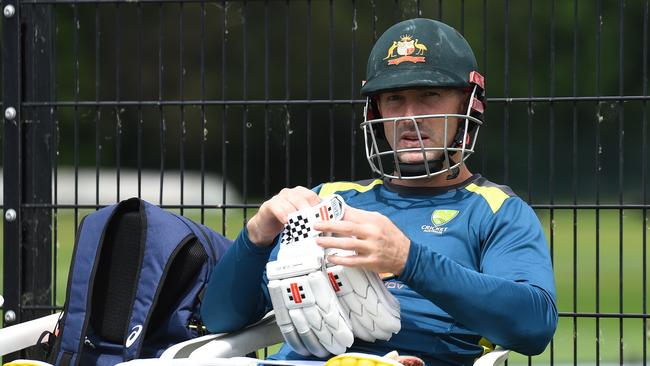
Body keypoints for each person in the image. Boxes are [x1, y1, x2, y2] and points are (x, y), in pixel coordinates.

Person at [200, 18, 557, 366]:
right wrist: (256, 236)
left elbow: (534, 326)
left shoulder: (495, 210)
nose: (409, 116)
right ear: (375, 111)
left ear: (466, 104)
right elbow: (219, 320)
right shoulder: (330, 199)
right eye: (395, 99)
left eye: (429, 95)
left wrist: (408, 260)